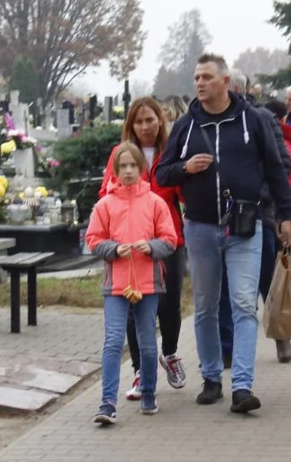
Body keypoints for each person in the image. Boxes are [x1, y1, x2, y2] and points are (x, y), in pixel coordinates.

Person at [157, 54, 291, 414]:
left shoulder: (254, 120)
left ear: (226, 82)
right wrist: (185, 168)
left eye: (206, 77)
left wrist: (286, 215)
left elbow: (277, 169)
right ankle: (212, 378)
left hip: (244, 227)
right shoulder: (186, 125)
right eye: (196, 77)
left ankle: (243, 386)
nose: (199, 83)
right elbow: (162, 174)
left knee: (244, 304)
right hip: (201, 228)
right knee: (204, 306)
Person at [97, 97, 187, 401]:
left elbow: (181, 191)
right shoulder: (119, 155)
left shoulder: (170, 152)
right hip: (128, 245)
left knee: (169, 302)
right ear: (131, 125)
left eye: (150, 120)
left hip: (167, 238)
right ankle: (138, 370)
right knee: (134, 311)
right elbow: (105, 193)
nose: (145, 126)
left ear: (160, 121)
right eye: (139, 121)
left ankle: (170, 353)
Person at [87, 143, 179, 424]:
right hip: (116, 285)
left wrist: (151, 247)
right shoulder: (105, 204)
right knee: (113, 341)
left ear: (142, 169)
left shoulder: (155, 203)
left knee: (148, 343)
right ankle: (107, 403)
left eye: (132, 166)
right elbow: (93, 239)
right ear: (114, 170)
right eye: (122, 166)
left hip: (148, 283)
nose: (127, 171)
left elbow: (170, 239)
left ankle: (149, 394)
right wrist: (113, 249)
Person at [217, 72, 291, 366]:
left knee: (265, 278)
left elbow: (281, 164)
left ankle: (280, 335)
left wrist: (266, 199)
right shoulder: (209, 123)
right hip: (220, 213)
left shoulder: (261, 119)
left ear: (237, 88)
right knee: (224, 284)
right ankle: (226, 346)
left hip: (258, 211)